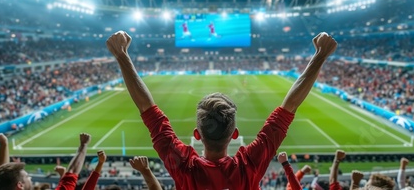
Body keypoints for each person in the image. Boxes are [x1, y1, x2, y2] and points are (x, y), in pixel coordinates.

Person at [106, 30, 337, 189]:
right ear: (234, 134)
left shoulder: (185, 167)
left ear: (197, 135)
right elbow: (289, 107)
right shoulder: (249, 166)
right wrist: (320, 56)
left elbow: (147, 109)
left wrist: (122, 56)